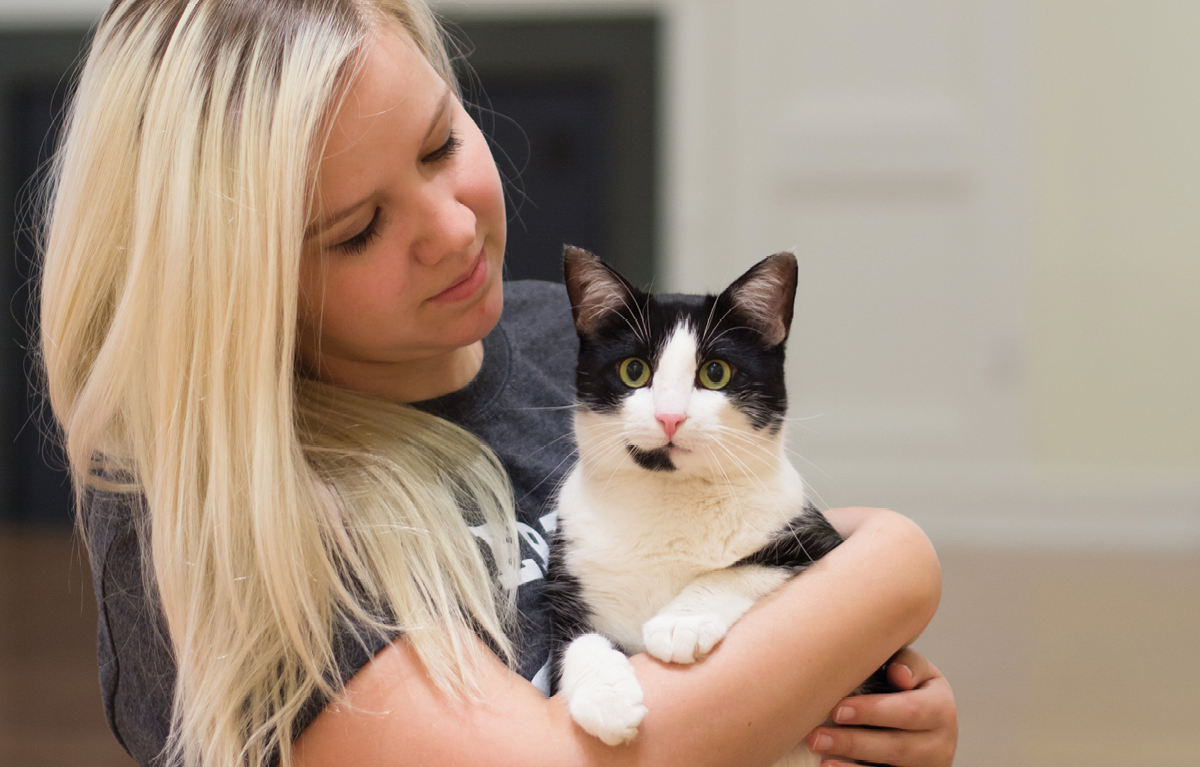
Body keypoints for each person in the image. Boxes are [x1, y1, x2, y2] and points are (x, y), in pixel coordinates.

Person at [38, 1, 958, 766]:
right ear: (237, 291)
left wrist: (853, 706)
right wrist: (894, 560)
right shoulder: (223, 509)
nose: (450, 226)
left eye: (440, 144)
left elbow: (773, 611)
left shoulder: (578, 348)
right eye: (359, 228)